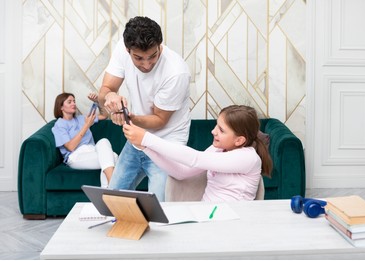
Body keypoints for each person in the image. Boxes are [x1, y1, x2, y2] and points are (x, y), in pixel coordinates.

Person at [97, 16, 191, 201]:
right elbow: (105, 91)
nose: (147, 64)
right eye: (139, 58)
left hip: (167, 145)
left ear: (159, 46)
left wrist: (127, 118)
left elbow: (159, 121)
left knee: (158, 208)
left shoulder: (176, 72)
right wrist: (110, 96)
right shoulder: (121, 51)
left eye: (153, 56)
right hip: (137, 140)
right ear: (127, 50)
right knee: (113, 201)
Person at [123, 105, 273, 202]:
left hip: (232, 225)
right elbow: (181, 172)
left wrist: (147, 138)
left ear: (239, 140)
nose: (213, 131)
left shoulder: (248, 158)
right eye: (216, 126)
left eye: (221, 130)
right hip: (207, 217)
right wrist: (145, 147)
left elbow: (195, 159)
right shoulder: (217, 150)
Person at [51, 92, 118, 187]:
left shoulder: (81, 118)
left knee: (103, 141)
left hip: (92, 150)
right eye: (69, 102)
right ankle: (112, 187)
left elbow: (104, 115)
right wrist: (86, 125)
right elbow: (70, 147)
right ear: (61, 107)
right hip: (75, 156)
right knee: (114, 157)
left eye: (74, 101)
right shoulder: (59, 125)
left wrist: (97, 102)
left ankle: (109, 190)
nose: (73, 104)